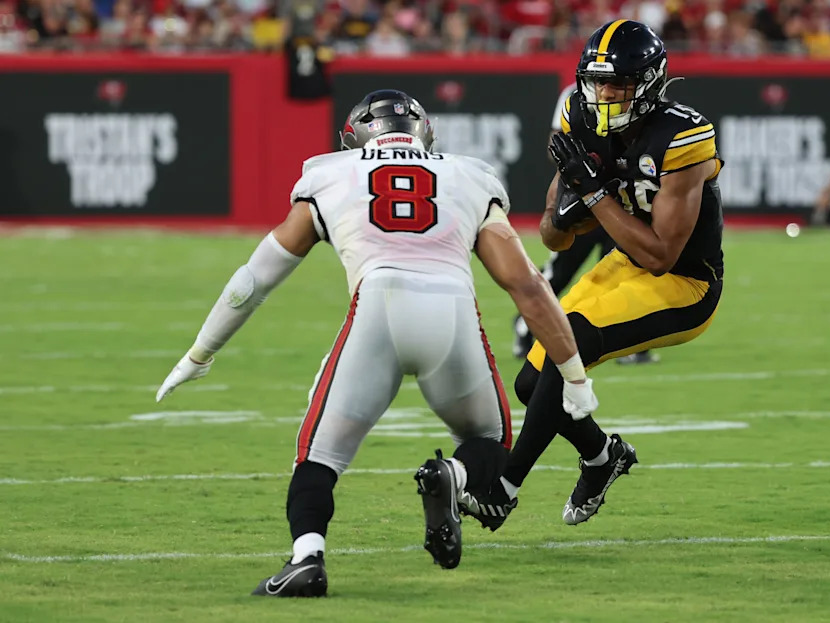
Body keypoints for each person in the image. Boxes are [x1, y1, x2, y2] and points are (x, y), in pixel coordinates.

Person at [155, 90, 599, 596]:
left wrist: (200, 353)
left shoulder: (330, 172)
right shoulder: (468, 174)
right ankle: (454, 474)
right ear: (424, 134)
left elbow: (253, 281)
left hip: (378, 307)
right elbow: (527, 285)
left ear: (353, 139)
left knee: (319, 456)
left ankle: (307, 558)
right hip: (453, 310)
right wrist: (573, 373)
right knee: (491, 447)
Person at [462, 20, 724, 530]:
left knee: (571, 343)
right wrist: (572, 203)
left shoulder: (685, 135)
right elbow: (552, 238)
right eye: (598, 82)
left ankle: (505, 487)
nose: (604, 95)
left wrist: (597, 192)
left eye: (619, 84)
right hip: (625, 263)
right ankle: (604, 457)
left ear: (649, 83)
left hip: (685, 284)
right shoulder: (578, 118)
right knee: (532, 380)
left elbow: (660, 256)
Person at [513, 81, 659, 366]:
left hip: (621, 201)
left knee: (623, 272)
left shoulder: (639, 95)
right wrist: (579, 174)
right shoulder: (574, 96)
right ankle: (524, 324)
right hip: (586, 198)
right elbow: (557, 144)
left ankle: (628, 342)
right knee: (561, 271)